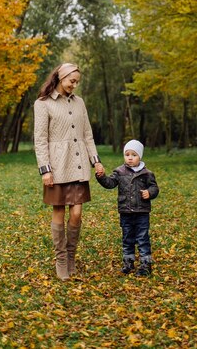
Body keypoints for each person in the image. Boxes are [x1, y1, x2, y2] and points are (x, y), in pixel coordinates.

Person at [34, 62, 104, 280]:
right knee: (59, 211)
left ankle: (71, 255)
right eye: (72, 81)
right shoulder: (43, 103)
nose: (74, 85)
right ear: (60, 77)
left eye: (77, 82)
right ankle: (61, 259)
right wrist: (45, 170)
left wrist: (96, 161)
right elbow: (40, 140)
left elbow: (88, 135)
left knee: (77, 212)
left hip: (79, 163)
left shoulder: (80, 102)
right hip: (57, 166)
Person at [96, 139, 159, 276]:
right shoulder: (119, 172)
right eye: (127, 154)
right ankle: (128, 262)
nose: (130, 158)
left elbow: (154, 187)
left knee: (142, 237)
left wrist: (150, 193)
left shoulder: (147, 173)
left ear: (140, 156)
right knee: (127, 237)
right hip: (126, 211)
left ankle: (145, 264)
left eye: (134, 155)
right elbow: (110, 183)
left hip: (142, 211)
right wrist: (101, 177)